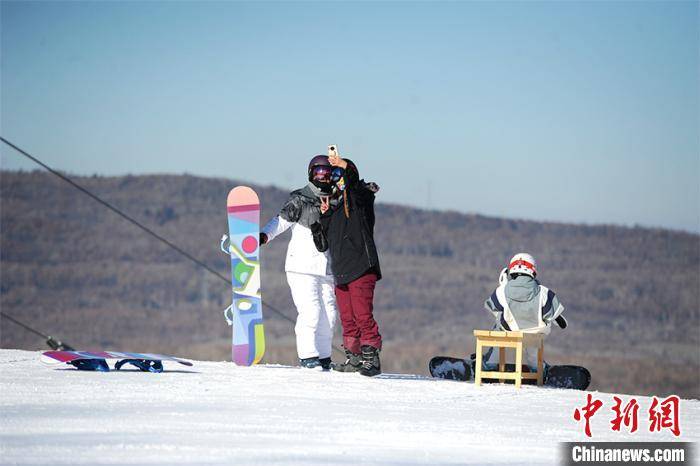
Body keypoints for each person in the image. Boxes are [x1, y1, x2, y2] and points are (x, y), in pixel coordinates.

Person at [259, 155, 338, 370]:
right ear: (311, 173)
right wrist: (264, 236)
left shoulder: (337, 200)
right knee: (311, 311)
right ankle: (308, 356)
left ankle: (324, 356)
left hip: (328, 268)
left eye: (327, 173)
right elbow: (280, 221)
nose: (323, 176)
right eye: (319, 172)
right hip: (302, 266)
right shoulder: (300, 200)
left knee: (330, 315)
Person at [315, 153, 383, 377]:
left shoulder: (359, 200)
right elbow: (323, 244)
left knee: (363, 315)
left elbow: (353, 181)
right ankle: (354, 358)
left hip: (362, 267)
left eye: (338, 176)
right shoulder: (334, 211)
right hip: (342, 271)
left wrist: (343, 164)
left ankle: (371, 359)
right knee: (347, 317)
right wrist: (323, 216)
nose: (335, 181)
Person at [482, 252, 567, 371]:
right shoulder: (544, 292)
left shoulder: (502, 290)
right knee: (533, 339)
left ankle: (489, 364)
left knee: (498, 327)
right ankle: (537, 367)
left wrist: (503, 286)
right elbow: (553, 315)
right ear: (533, 270)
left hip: (510, 331)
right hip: (535, 334)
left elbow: (493, 308)